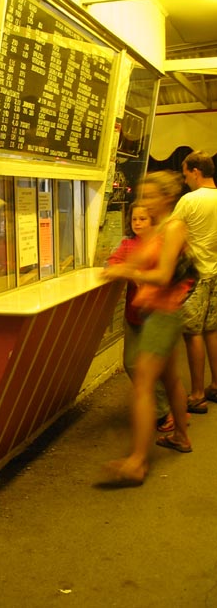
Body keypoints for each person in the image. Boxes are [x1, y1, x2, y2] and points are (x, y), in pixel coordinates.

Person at [101, 171, 194, 486]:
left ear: (167, 197)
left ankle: (138, 461)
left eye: (151, 196)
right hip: (156, 312)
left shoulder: (174, 227)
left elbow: (164, 275)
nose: (145, 202)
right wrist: (122, 267)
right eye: (143, 196)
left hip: (164, 314)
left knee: (142, 383)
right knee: (169, 379)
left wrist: (125, 270)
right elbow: (133, 261)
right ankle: (181, 436)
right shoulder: (157, 231)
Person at [106, 201, 175, 432]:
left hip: (157, 314)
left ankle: (162, 411)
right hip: (134, 314)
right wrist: (125, 271)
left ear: (153, 220)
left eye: (142, 219)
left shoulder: (162, 244)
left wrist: (135, 272)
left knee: (154, 368)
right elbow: (113, 263)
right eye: (134, 219)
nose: (137, 223)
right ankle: (159, 407)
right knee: (131, 363)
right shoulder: (128, 245)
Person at [171, 150, 217, 413]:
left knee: (193, 334)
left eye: (186, 173)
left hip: (195, 276)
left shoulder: (189, 201)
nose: (185, 179)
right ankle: (215, 385)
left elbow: (171, 235)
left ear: (196, 172)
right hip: (215, 272)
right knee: (212, 330)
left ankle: (198, 393)